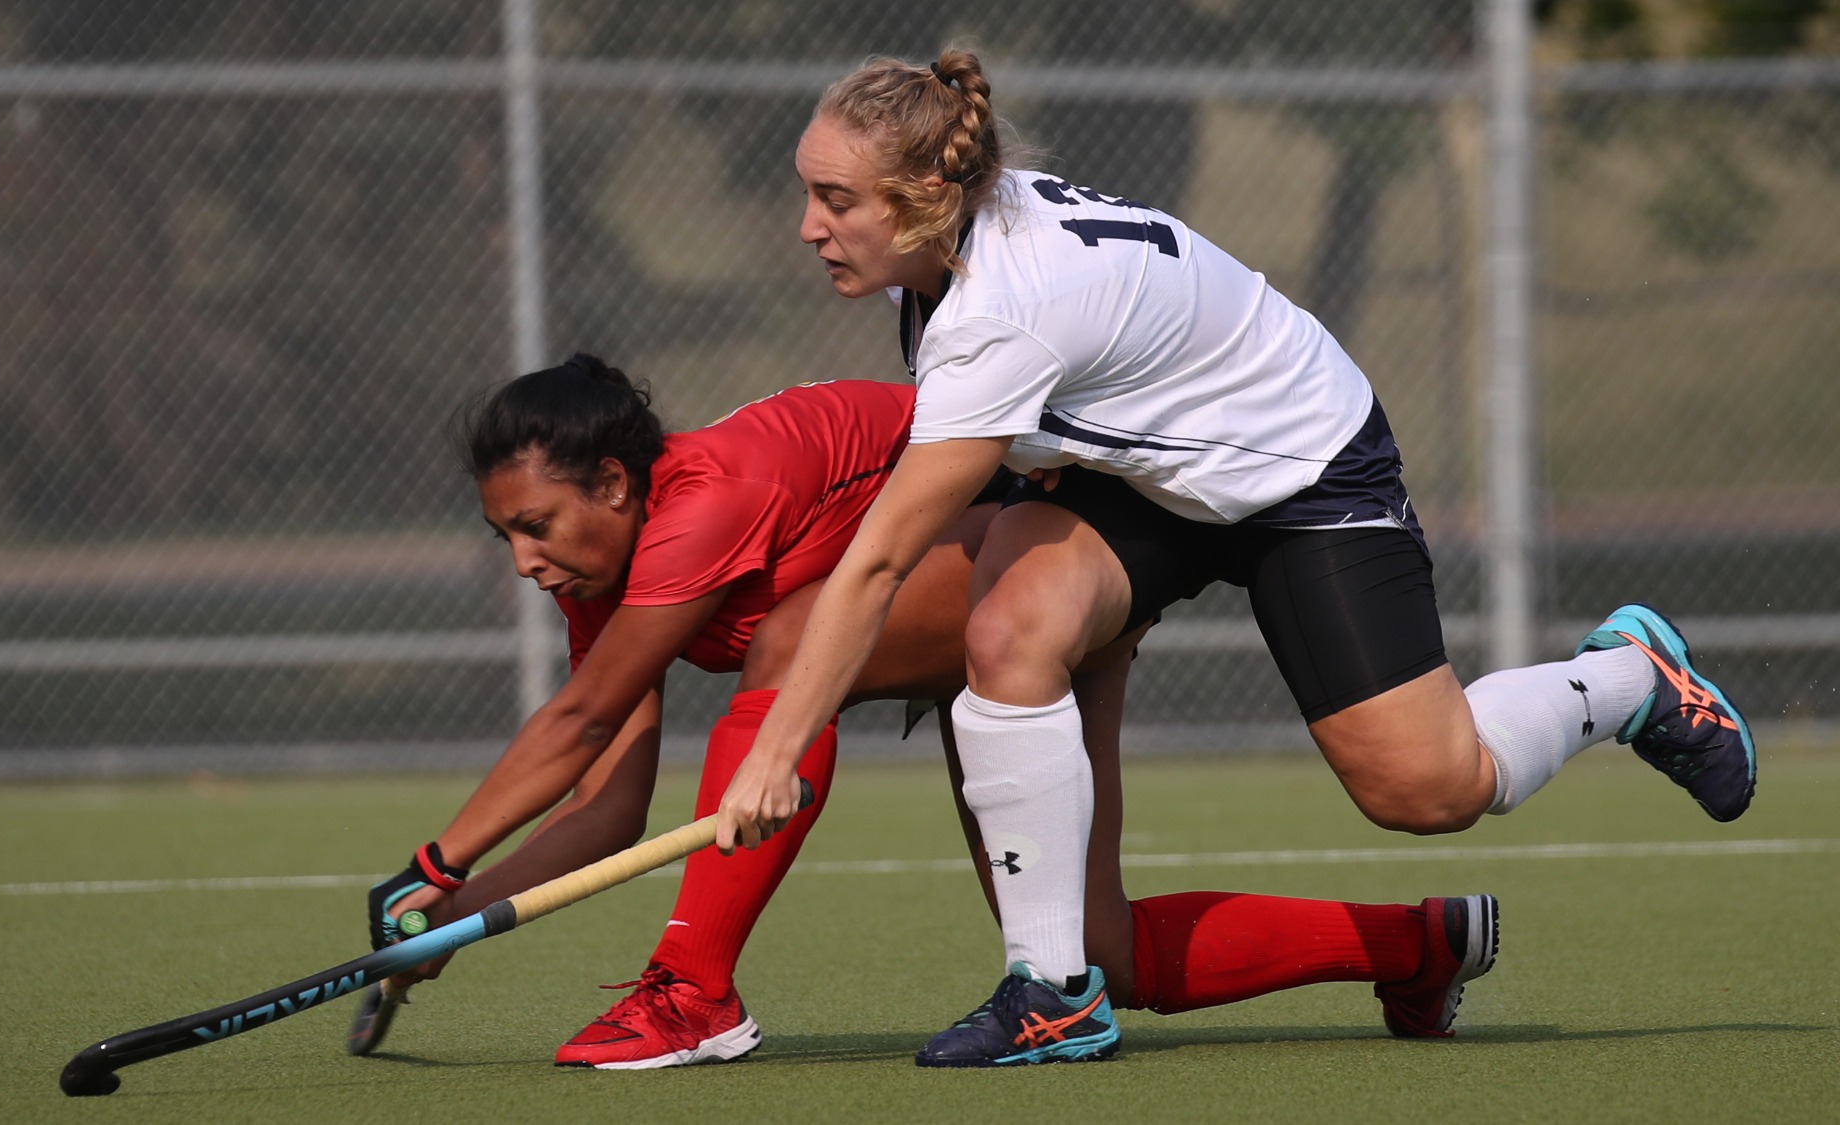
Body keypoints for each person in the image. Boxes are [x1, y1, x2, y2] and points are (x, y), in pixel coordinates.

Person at [715, 47, 1756, 1068]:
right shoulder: (947, 247)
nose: (809, 225)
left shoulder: (998, 312)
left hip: (1299, 465)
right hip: (1142, 475)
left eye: (835, 199)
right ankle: (1051, 992)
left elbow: (879, 565)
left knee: (1425, 791)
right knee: (1006, 629)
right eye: (809, 193)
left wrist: (775, 752)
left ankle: (1623, 680)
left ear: (927, 192)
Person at [358, 354, 1500, 1071]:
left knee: (790, 645)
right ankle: (1415, 946)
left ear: (613, 485)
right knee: (1091, 952)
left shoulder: (699, 507)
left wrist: (428, 858)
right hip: (986, 612)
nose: (521, 559)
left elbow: (575, 724)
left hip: (1045, 547)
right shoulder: (606, 581)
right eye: (505, 535)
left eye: (536, 526)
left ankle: (691, 995)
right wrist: (453, 917)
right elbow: (606, 808)